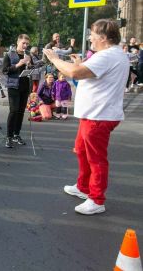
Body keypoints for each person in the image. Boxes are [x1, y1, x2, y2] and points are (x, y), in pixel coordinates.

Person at [43, 19, 129, 215]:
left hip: (99, 116)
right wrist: (80, 64)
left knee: (96, 159)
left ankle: (96, 199)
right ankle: (83, 187)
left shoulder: (107, 56)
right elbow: (87, 74)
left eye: (92, 34)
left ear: (104, 38)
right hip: (94, 114)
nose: (89, 37)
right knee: (81, 150)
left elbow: (74, 73)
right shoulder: (111, 54)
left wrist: (54, 58)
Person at [2, 34, 32, 148]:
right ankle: (9, 136)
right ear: (18, 42)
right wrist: (19, 64)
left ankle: (16, 134)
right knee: (13, 111)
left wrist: (30, 65)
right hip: (13, 86)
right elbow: (5, 70)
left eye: (27, 44)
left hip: (24, 86)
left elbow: (31, 69)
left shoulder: (28, 55)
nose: (25, 46)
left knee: (20, 112)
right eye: (23, 43)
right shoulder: (9, 55)